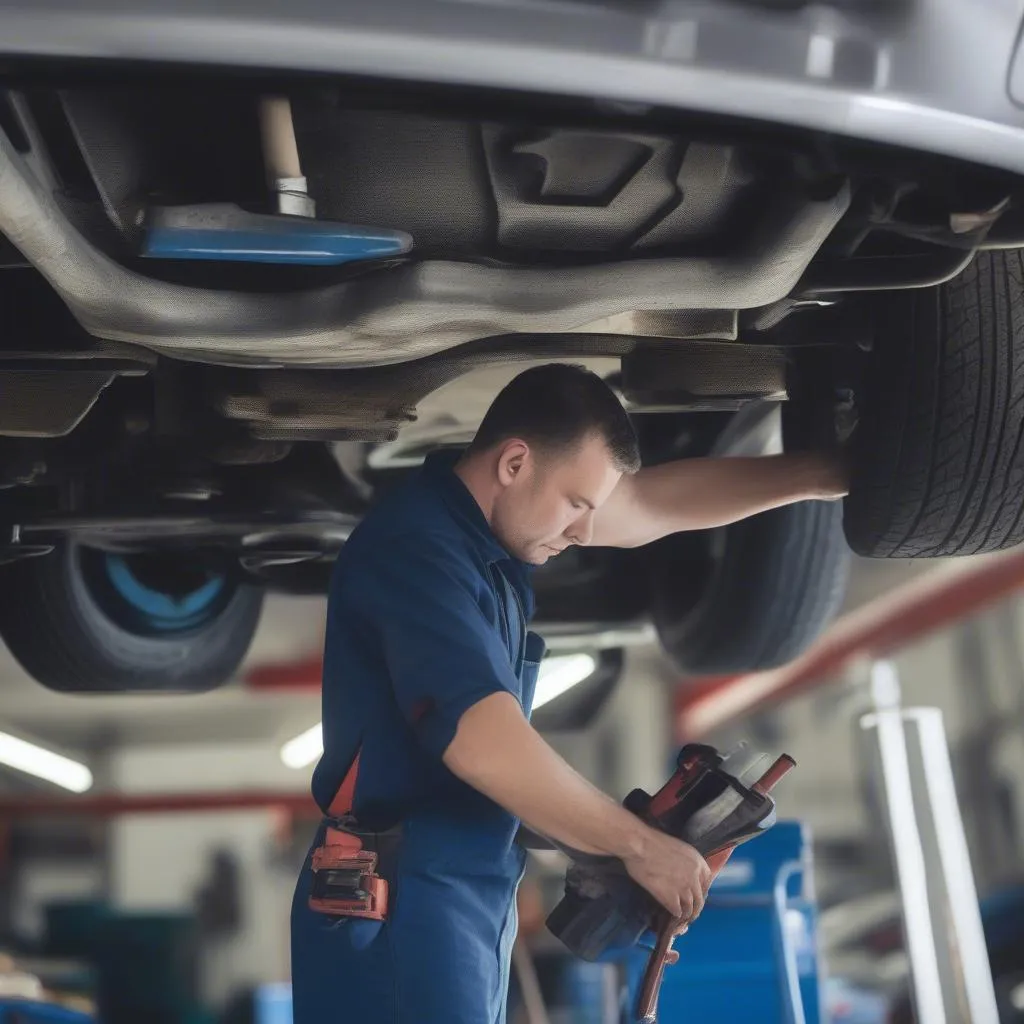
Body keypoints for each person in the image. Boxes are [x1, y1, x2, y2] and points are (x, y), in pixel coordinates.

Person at [290, 363, 847, 1024]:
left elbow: (649, 507)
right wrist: (638, 847)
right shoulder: (418, 552)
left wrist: (829, 475)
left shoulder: (478, 543)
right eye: (577, 505)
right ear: (515, 462)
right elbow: (481, 744)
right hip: (400, 900)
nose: (586, 532)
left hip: (457, 890)